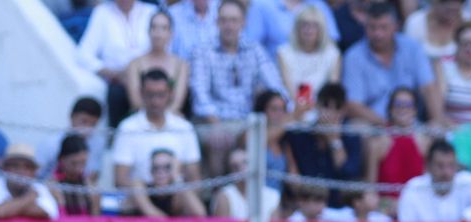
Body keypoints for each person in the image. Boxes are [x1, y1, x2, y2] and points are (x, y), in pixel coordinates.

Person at [190, 0, 284, 175]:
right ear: (217, 22)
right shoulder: (202, 51)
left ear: (243, 23)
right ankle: (216, 197)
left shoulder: (254, 50)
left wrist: (289, 108)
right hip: (211, 121)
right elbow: (200, 93)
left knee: (263, 137)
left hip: (247, 121)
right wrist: (217, 125)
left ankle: (254, 198)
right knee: (218, 140)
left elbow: (274, 84)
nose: (229, 26)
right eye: (224, 20)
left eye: (234, 20)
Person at [343, 1, 443, 124]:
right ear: (365, 27)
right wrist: (387, 126)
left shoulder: (413, 48)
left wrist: (437, 122)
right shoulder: (353, 56)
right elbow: (353, 105)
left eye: (383, 27)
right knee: (356, 127)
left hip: (412, 123)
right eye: (372, 27)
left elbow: (429, 88)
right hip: (374, 127)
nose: (378, 34)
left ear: (396, 26)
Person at [110, 68, 202, 200]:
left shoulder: (185, 127)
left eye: (160, 95)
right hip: (141, 200)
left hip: (177, 198)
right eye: (150, 95)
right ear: (141, 93)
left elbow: (194, 177)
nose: (155, 101)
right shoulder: (127, 127)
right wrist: (152, 194)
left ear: (170, 94)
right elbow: (120, 179)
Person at [77, 0, 158, 125]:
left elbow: (163, 47)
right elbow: (84, 54)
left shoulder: (150, 12)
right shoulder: (102, 13)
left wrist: (135, 73)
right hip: (116, 81)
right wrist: (112, 73)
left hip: (149, 77)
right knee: (116, 96)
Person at [284, 82, 364, 203]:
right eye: (326, 105)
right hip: (306, 206)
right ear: (317, 106)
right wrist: (296, 114)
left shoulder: (351, 138)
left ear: (344, 111)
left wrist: (334, 140)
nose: (330, 113)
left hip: (340, 208)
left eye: (337, 107)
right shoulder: (301, 135)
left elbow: (348, 175)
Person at [398, 138, 471, 222]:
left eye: (451, 165)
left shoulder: (470, 182)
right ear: (428, 166)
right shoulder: (414, 188)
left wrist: (466, 218)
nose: (446, 173)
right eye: (440, 166)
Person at [367, 86, 431, 211]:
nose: (403, 108)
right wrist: (386, 206)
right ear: (390, 109)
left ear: (415, 110)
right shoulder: (377, 144)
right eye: (398, 104)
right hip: (385, 211)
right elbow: (370, 192)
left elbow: (429, 190)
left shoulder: (425, 143)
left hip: (417, 211)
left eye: (408, 104)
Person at [277, 5, 340, 119]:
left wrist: (317, 109)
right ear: (297, 28)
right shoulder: (283, 53)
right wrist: (302, 110)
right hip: (292, 111)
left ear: (321, 29)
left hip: (322, 113)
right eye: (304, 25)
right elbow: (289, 92)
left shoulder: (333, 54)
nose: (309, 30)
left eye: (314, 26)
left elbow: (331, 91)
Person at [123, 6, 189, 114]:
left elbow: (177, 104)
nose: (158, 33)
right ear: (148, 31)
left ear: (171, 33)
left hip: (171, 119)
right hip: (142, 119)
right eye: (154, 27)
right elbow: (136, 102)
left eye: (164, 28)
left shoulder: (181, 65)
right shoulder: (134, 64)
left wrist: (162, 122)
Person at [0, 142, 59, 220]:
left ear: (34, 172)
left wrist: (12, 207)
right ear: (4, 169)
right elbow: (0, 211)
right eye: (14, 165)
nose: (21, 171)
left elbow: (48, 213)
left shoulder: (40, 188)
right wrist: (30, 198)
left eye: (27, 167)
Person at [127, 146, 207, 216]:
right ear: (150, 171)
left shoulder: (179, 193)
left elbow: (200, 213)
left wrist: (176, 177)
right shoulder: (140, 186)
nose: (160, 172)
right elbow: (151, 213)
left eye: (167, 167)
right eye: (156, 168)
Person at [52, 132, 101, 216]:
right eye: (74, 163)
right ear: (62, 159)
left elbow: (95, 221)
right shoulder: (52, 186)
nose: (78, 169)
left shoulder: (91, 187)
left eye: (83, 163)